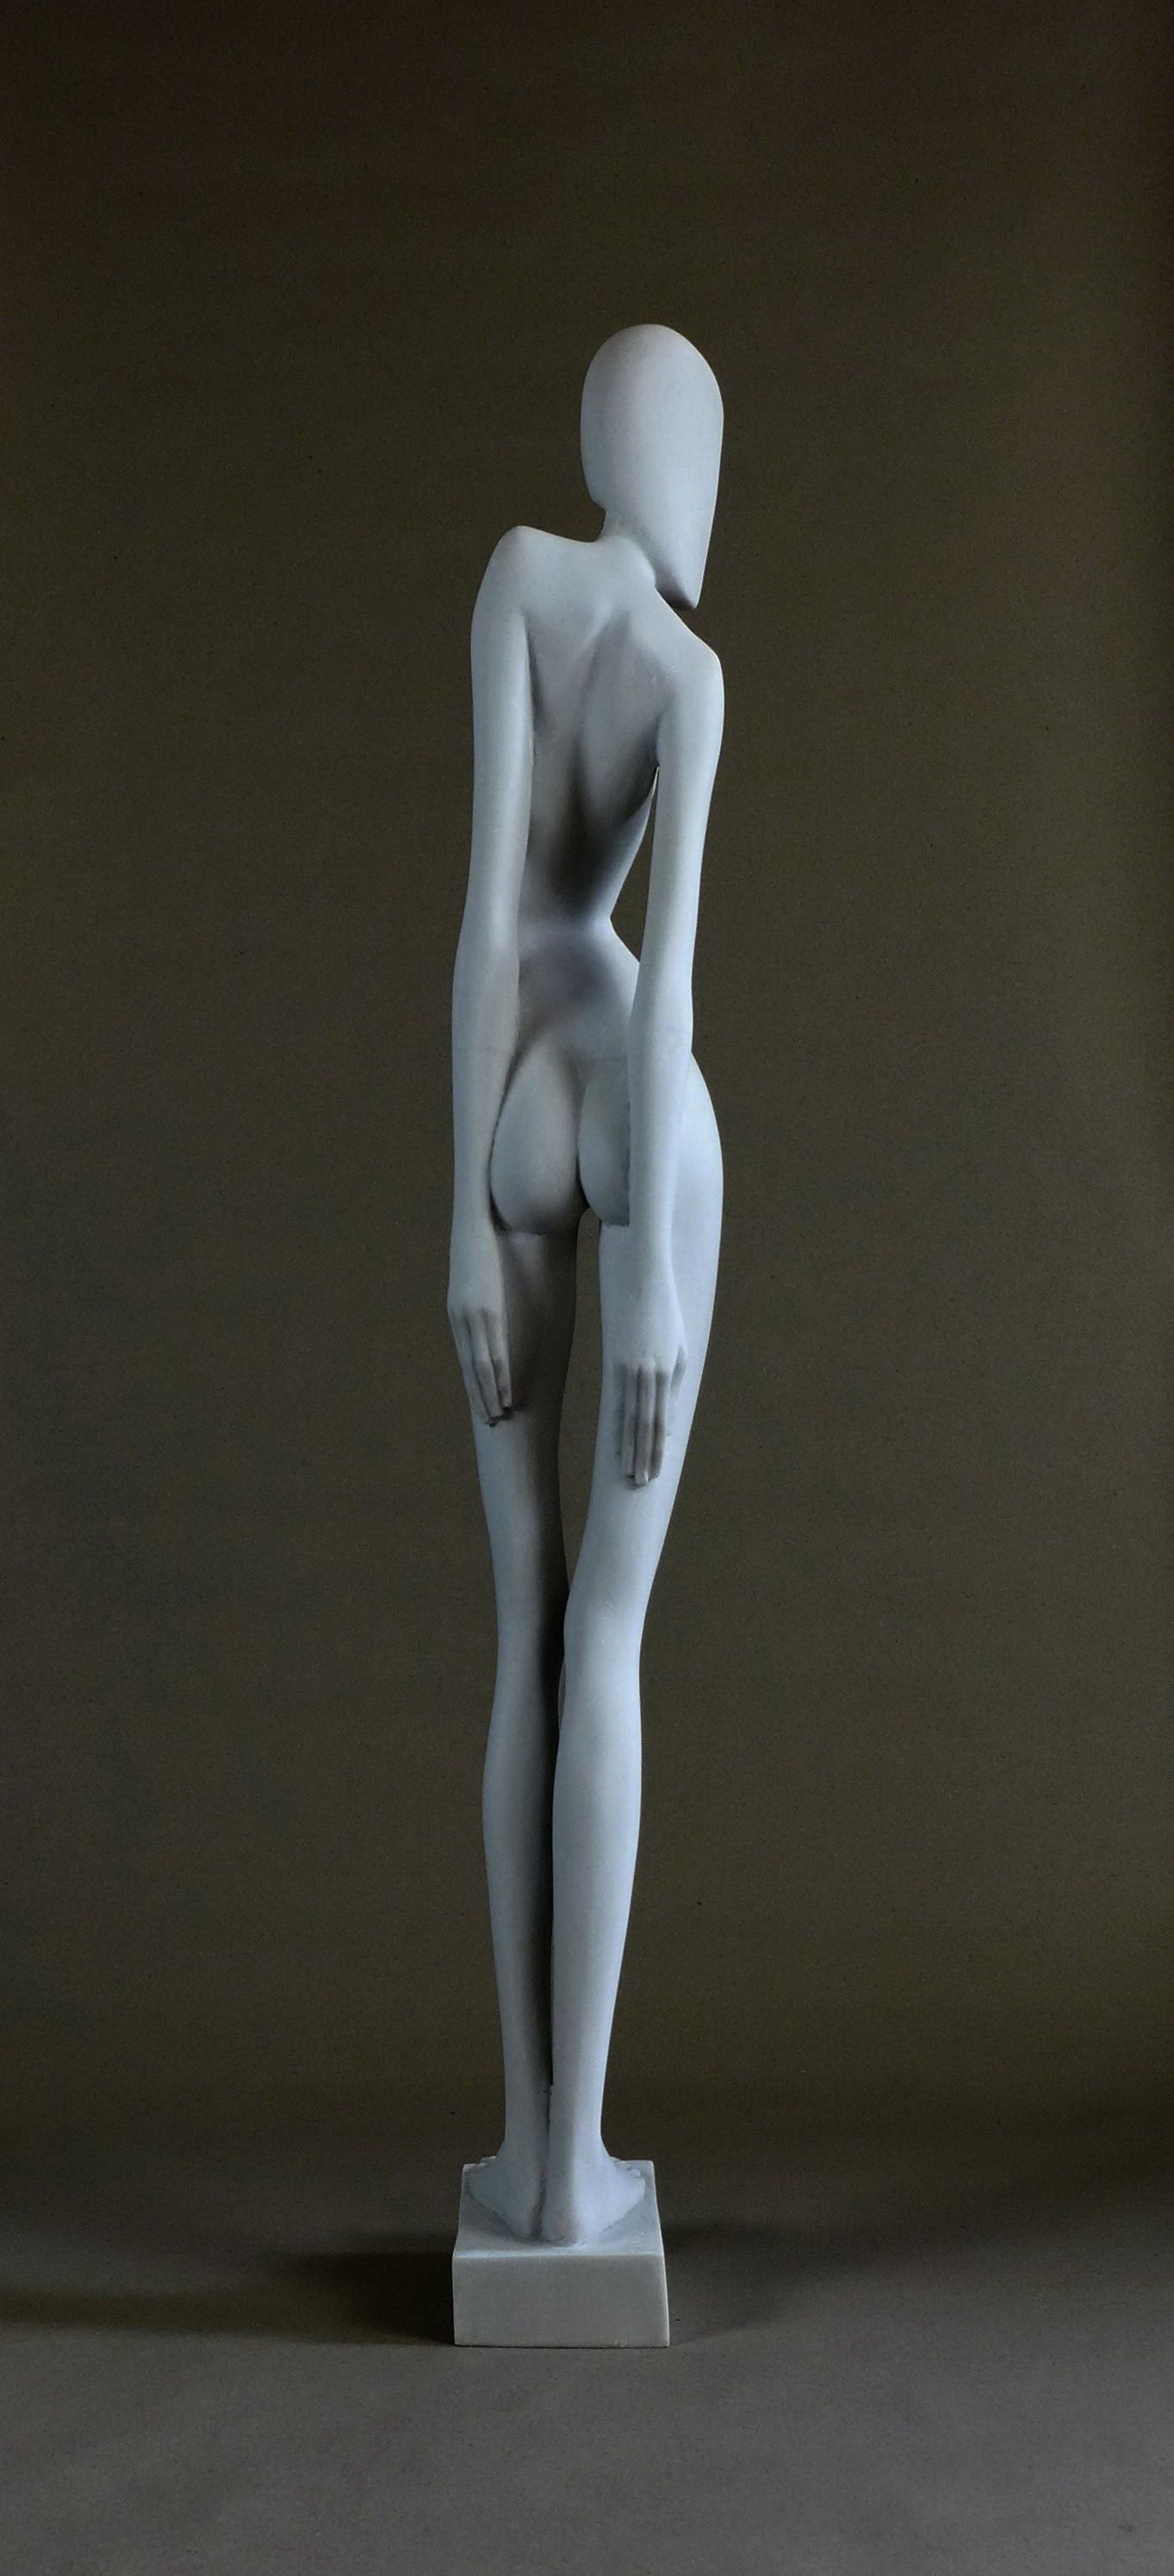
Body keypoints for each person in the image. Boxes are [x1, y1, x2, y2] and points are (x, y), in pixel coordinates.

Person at [448, 323, 724, 2244]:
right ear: (671, 459)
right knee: (607, 1634)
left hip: (521, 1086)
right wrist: (652, 1290)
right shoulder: (689, 677)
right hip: (637, 1086)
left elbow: (493, 914)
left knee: (522, 1626)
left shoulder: (517, 584)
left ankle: (526, 2137)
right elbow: (670, 976)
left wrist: (464, 1216)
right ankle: (575, 2175)